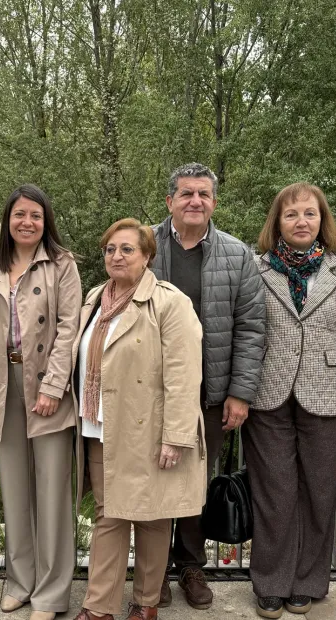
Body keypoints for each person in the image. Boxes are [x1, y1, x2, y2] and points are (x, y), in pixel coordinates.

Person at [0, 184, 81, 620]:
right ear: (8, 220)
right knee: (14, 489)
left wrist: (52, 387)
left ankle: (50, 594)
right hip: (0, 384)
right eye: (19, 215)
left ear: (46, 222)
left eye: (36, 216)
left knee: (51, 492)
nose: (27, 222)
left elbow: (69, 329)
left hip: (46, 383)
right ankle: (20, 581)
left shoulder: (62, 265)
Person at [72, 218, 207, 620]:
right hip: (99, 428)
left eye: (127, 249)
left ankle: (146, 604)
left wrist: (176, 437)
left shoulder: (170, 302)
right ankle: (99, 608)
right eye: (111, 249)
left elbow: (185, 375)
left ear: (148, 256)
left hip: (151, 430)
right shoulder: (95, 298)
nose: (117, 256)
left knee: (152, 518)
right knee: (108, 515)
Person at [246, 183, 336, 619]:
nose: (301, 222)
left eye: (310, 214)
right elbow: (246, 331)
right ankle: (271, 583)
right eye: (291, 214)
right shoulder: (255, 268)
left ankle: (309, 581)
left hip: (329, 392)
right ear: (276, 222)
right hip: (267, 392)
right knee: (274, 493)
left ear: (323, 221)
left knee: (319, 492)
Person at [150, 163, 266, 609]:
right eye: (185, 194)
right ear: (170, 202)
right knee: (154, 482)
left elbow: (252, 328)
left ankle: (191, 565)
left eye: (203, 194)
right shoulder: (144, 245)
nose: (194, 201)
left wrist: (240, 392)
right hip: (151, 391)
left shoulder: (237, 255)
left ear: (214, 202)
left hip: (210, 393)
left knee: (195, 483)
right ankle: (153, 570)